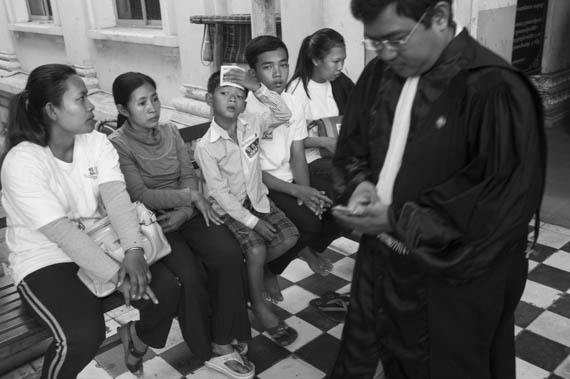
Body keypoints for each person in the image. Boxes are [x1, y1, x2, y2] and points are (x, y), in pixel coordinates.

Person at [329, 1, 546, 378]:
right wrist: (361, 183)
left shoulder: (493, 88)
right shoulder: (380, 73)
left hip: (447, 278)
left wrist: (397, 219)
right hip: (379, 264)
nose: (386, 53)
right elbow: (354, 146)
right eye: (375, 43)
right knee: (366, 354)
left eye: (396, 39)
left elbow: (498, 205)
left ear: (440, 17)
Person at [0, 64, 183, 378]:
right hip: (44, 259)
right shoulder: (23, 161)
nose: (91, 107)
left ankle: (136, 342)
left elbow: (116, 199)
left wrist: (134, 251)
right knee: (83, 335)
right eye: (81, 99)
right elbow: (62, 234)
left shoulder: (97, 142)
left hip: (101, 239)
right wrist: (118, 275)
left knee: (166, 288)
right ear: (52, 110)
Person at [108, 72, 254, 379]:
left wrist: (187, 208)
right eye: (142, 102)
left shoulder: (170, 131)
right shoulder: (117, 145)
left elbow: (188, 173)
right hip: (154, 224)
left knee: (227, 253)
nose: (153, 107)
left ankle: (225, 333)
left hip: (186, 213)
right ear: (123, 109)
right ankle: (208, 348)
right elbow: (139, 194)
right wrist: (188, 197)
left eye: (155, 98)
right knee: (189, 275)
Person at [195, 69, 299, 347]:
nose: (232, 99)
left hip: (258, 197)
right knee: (256, 248)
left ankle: (249, 275)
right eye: (225, 93)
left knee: (290, 237)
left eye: (239, 95)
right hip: (230, 209)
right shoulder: (206, 147)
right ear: (209, 99)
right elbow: (219, 194)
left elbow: (284, 114)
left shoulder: (252, 123)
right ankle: (258, 304)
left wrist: (259, 88)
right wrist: (254, 223)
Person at [243, 35, 340, 300]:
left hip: (287, 180)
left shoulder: (293, 102)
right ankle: (269, 271)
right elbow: (252, 172)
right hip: (260, 187)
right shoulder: (247, 108)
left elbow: (297, 153)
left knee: (331, 208)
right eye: (268, 67)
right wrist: (298, 193)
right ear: (253, 72)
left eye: (283, 64)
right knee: (307, 227)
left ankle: (298, 254)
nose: (278, 73)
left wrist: (306, 191)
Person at [287, 28, 355, 196]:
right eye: (335, 61)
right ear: (316, 60)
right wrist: (324, 142)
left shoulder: (339, 83)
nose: (340, 67)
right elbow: (289, 140)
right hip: (312, 160)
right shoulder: (297, 91)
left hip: (336, 153)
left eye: (343, 61)